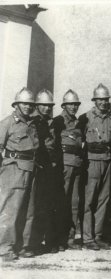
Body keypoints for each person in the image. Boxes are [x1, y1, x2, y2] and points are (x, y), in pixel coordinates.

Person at [21, 89, 63, 256]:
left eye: (49, 106)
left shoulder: (51, 123)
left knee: (48, 205)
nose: (47, 109)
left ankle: (49, 241)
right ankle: (30, 244)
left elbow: (53, 146)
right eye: (43, 106)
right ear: (36, 106)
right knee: (34, 207)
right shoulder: (32, 122)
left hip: (49, 169)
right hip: (35, 168)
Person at [0, 88, 38, 261]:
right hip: (13, 169)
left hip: (31, 168)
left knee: (28, 211)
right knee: (10, 210)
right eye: (25, 103)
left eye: (31, 104)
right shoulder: (8, 123)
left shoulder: (31, 124)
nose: (28, 107)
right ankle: (5, 249)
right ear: (16, 105)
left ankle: (23, 246)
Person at [78, 83, 111, 251]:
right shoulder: (85, 118)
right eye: (100, 100)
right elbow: (79, 140)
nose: (103, 102)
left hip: (107, 160)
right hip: (91, 161)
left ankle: (98, 235)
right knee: (89, 200)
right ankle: (87, 238)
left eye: (105, 99)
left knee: (104, 199)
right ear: (95, 100)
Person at [53, 89, 83, 250]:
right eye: (70, 104)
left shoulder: (78, 123)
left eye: (76, 104)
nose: (73, 107)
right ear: (64, 105)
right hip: (64, 165)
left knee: (74, 204)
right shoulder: (58, 121)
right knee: (61, 202)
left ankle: (69, 239)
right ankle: (57, 240)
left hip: (77, 164)